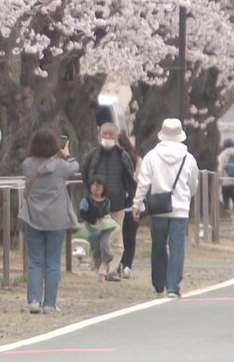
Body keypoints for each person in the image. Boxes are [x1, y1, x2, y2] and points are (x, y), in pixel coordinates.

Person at [132, 118, 199, 299]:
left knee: (158, 245)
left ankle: (159, 282)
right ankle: (173, 287)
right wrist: (186, 196)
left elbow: (143, 183)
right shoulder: (188, 159)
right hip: (180, 209)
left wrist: (137, 204)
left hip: (158, 208)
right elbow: (193, 184)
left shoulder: (152, 156)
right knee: (177, 248)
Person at [18, 128, 79, 313]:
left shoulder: (27, 164)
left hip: (33, 216)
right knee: (53, 261)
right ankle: (50, 303)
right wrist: (66, 155)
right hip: (56, 218)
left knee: (35, 260)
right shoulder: (61, 166)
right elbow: (75, 167)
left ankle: (34, 300)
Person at [81, 123, 136, 281]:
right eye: (104, 134)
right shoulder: (92, 155)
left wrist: (129, 198)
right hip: (96, 205)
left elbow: (129, 177)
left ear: (117, 136)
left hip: (117, 204)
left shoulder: (123, 155)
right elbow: (85, 174)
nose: (107, 137)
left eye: (111, 134)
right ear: (99, 136)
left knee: (116, 240)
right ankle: (100, 267)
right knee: (98, 238)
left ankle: (112, 270)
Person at [78, 176, 118, 282]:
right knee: (95, 249)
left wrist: (106, 217)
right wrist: (94, 220)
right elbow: (82, 213)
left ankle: (105, 261)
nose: (97, 188)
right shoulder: (86, 200)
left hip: (105, 226)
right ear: (90, 187)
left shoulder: (106, 201)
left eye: (100, 186)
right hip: (91, 228)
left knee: (104, 243)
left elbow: (106, 212)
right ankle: (100, 269)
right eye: (95, 185)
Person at [116, 134, 140, 279]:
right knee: (123, 236)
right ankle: (122, 264)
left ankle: (126, 265)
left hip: (130, 201)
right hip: (123, 202)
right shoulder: (112, 160)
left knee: (128, 236)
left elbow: (139, 180)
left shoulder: (135, 160)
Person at [216, 138, 234, 212]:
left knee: (226, 199)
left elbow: (220, 169)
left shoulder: (222, 155)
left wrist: (219, 179)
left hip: (225, 182)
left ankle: (226, 211)